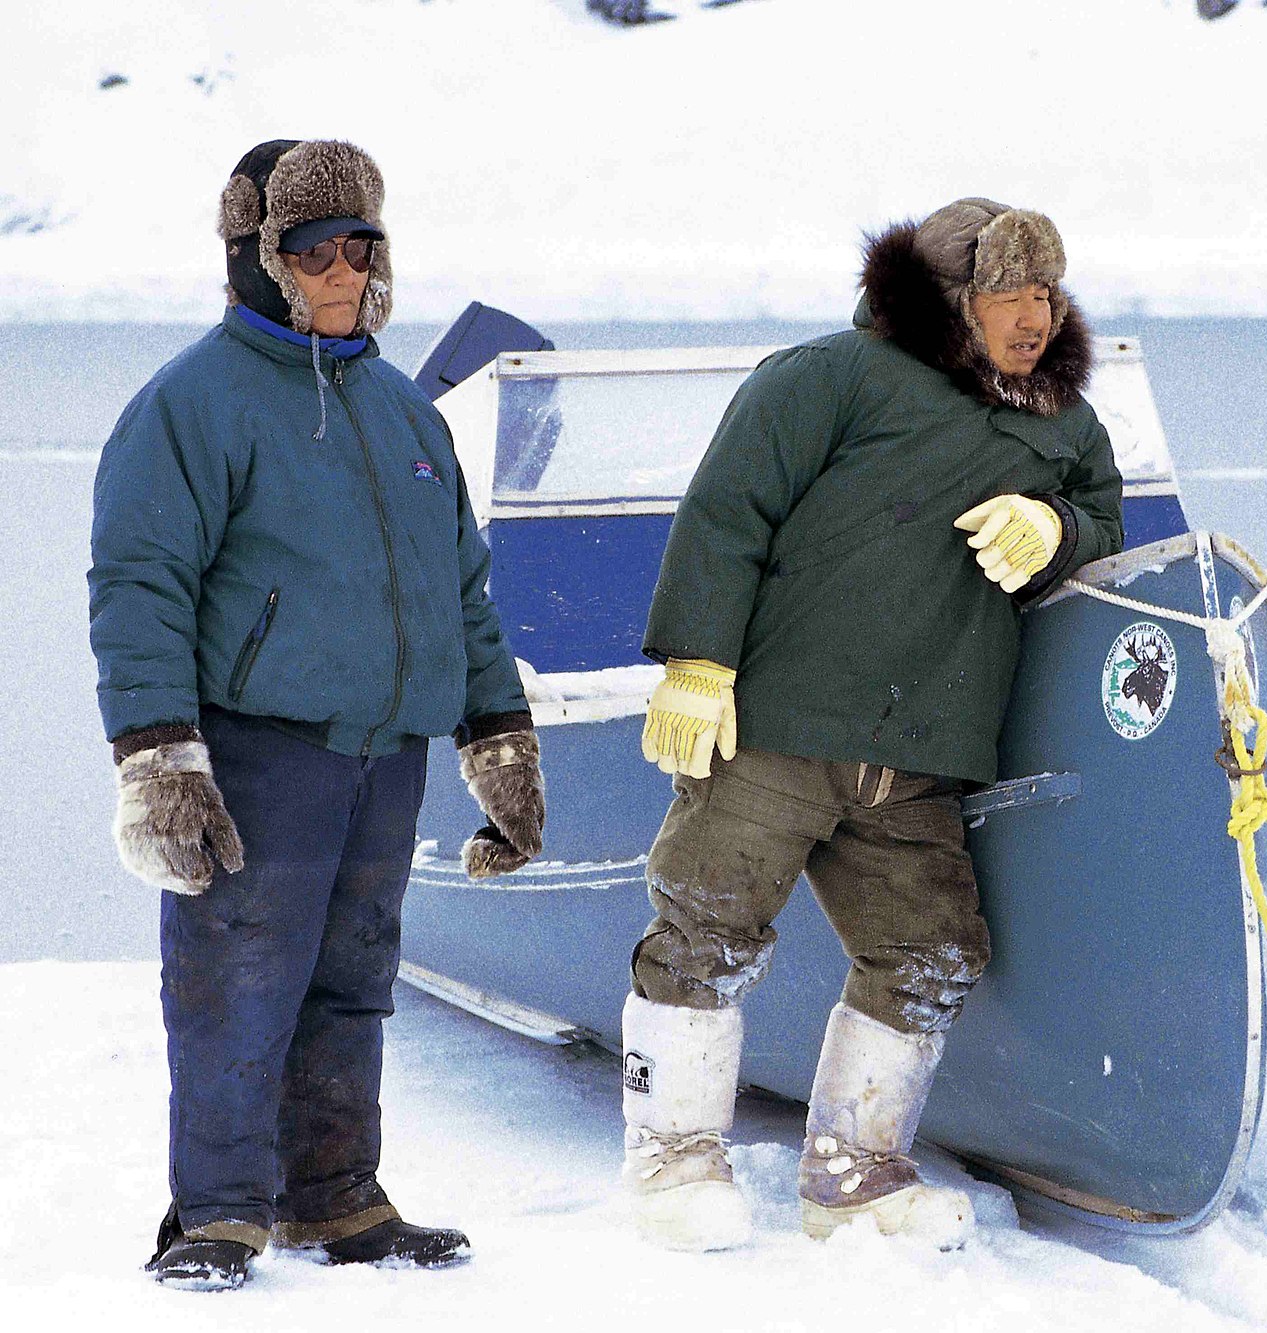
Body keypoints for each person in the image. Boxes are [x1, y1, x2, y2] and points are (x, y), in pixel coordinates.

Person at [620, 198, 1124, 1251]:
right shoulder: (823, 377)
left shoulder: (1063, 420)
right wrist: (696, 662)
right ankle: (673, 1163)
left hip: (925, 752)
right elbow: (727, 509)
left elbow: (1108, 519)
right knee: (704, 926)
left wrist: (1058, 524)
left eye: (1047, 293)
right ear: (950, 300)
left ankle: (853, 1172)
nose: (1033, 316)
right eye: (1007, 295)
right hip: (778, 728)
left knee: (932, 951)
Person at [88, 139, 545, 1291]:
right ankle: (220, 1210)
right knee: (237, 977)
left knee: (354, 978)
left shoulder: (404, 412)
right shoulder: (190, 405)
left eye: (362, 245)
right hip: (257, 749)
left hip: (383, 755)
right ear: (258, 257)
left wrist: (497, 736)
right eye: (313, 248)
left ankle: (334, 1195)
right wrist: (157, 758)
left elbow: (462, 592)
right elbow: (139, 586)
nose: (344, 270)